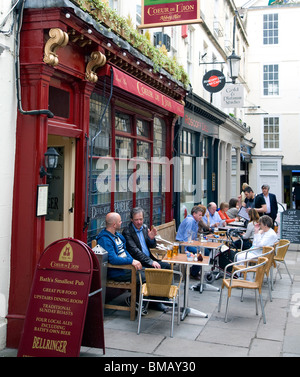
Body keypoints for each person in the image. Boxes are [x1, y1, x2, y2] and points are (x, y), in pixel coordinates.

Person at [96, 212, 148, 315]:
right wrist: (131, 261)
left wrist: (132, 261)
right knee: (145, 276)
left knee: (148, 273)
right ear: (114, 225)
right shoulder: (105, 239)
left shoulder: (117, 236)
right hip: (117, 271)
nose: (122, 222)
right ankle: (136, 303)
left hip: (126, 268)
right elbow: (113, 259)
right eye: (120, 221)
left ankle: (138, 302)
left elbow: (124, 251)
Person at [122, 207, 171, 312]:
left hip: (148, 259)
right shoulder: (127, 232)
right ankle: (156, 302)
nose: (139, 222)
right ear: (131, 219)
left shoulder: (144, 228)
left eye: (141, 219)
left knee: (166, 266)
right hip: (138, 262)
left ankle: (162, 297)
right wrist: (151, 262)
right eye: (136, 220)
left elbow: (151, 246)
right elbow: (135, 251)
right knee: (154, 271)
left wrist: (151, 239)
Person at [176, 206, 204, 279]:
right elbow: (186, 236)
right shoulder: (190, 221)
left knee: (205, 251)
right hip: (182, 244)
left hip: (190, 243)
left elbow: (193, 236)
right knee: (199, 254)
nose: (201, 217)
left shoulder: (195, 221)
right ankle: (193, 273)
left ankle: (194, 270)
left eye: (201, 215)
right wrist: (185, 250)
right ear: (194, 214)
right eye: (200, 215)